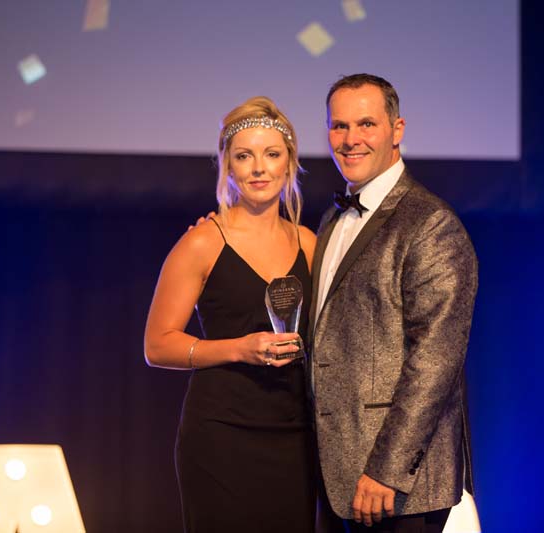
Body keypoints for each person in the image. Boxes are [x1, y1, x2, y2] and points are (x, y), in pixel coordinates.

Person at [309, 73, 478, 532]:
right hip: (337, 475)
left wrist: (388, 470)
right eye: (339, 126)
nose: (351, 139)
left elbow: (435, 361)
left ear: (397, 129)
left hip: (398, 487)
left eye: (366, 124)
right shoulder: (332, 218)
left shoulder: (430, 223)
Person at [143, 96, 317, 533]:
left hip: (295, 434)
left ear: (289, 163)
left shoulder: (310, 243)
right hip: (221, 434)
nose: (258, 168)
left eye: (271, 154)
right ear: (228, 165)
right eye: (244, 156)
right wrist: (241, 349)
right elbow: (157, 345)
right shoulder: (202, 242)